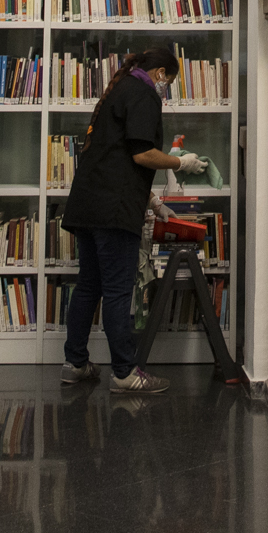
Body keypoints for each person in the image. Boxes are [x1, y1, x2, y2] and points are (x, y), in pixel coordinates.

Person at [60, 45, 208, 393]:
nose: (166, 89)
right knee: (116, 290)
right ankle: (126, 373)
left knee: (88, 286)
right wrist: (180, 163)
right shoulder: (144, 94)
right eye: (168, 81)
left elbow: (115, 157)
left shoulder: (118, 91)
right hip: (113, 212)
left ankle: (75, 363)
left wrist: (153, 201)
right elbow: (142, 154)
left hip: (87, 206)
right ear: (160, 74)